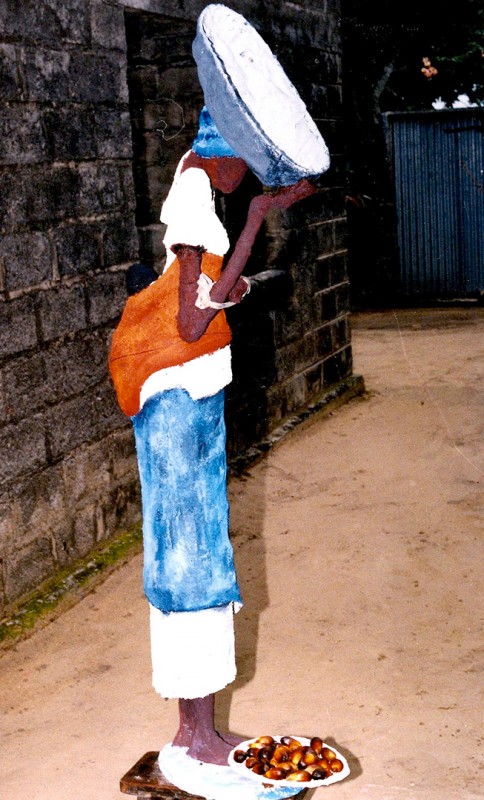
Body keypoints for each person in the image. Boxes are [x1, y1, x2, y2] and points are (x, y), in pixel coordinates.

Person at [109, 107, 314, 765]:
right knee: (187, 565)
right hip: (174, 404)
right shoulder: (197, 192)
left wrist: (245, 274)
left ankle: (202, 727)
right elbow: (194, 321)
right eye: (246, 164)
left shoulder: (196, 179)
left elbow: (204, 297)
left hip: (186, 403)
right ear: (223, 154)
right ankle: (190, 734)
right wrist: (257, 221)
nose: (245, 177)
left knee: (202, 560)